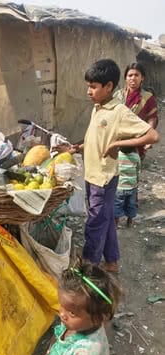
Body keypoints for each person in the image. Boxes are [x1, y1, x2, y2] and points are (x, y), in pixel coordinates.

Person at [74, 59, 159, 273]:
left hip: (103, 179)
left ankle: (89, 269)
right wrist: (77, 148)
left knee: (95, 223)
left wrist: (118, 144)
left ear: (109, 86)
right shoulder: (98, 108)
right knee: (107, 220)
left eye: (93, 87)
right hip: (93, 175)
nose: (88, 91)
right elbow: (97, 138)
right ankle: (111, 262)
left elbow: (152, 135)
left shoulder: (119, 112)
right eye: (88, 86)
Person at [34, 260, 122, 355]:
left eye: (72, 313)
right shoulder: (75, 324)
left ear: (98, 318)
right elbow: (58, 337)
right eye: (62, 305)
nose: (62, 314)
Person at [114, 62, 158, 159]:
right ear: (126, 78)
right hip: (116, 139)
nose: (133, 78)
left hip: (136, 141)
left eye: (136, 75)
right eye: (130, 75)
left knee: (130, 170)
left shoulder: (147, 98)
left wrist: (148, 140)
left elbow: (152, 118)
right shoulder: (117, 95)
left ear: (142, 78)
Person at [114, 147, 141, 228]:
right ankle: (129, 222)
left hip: (119, 186)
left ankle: (115, 224)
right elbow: (138, 170)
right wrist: (137, 181)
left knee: (117, 205)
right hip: (132, 186)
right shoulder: (136, 156)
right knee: (131, 204)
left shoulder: (117, 155)